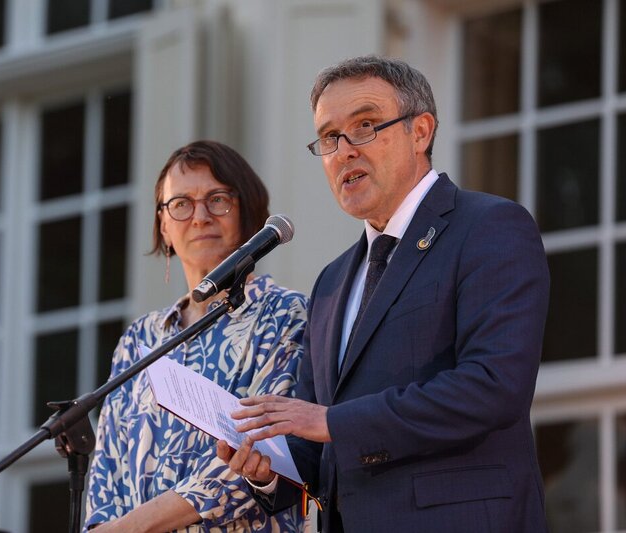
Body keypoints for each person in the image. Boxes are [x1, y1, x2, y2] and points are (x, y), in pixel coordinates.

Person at [216, 56, 551, 532]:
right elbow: (318, 450)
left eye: (365, 126)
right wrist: (268, 470)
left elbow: (493, 386)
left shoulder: (489, 227)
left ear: (421, 132)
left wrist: (332, 423)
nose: (344, 151)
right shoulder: (331, 282)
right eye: (329, 137)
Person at [85, 140, 308, 532]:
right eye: (181, 204)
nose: (200, 217)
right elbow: (107, 469)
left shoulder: (286, 314)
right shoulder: (139, 340)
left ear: (247, 212)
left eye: (217, 200)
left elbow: (259, 453)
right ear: (163, 225)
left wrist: (131, 528)